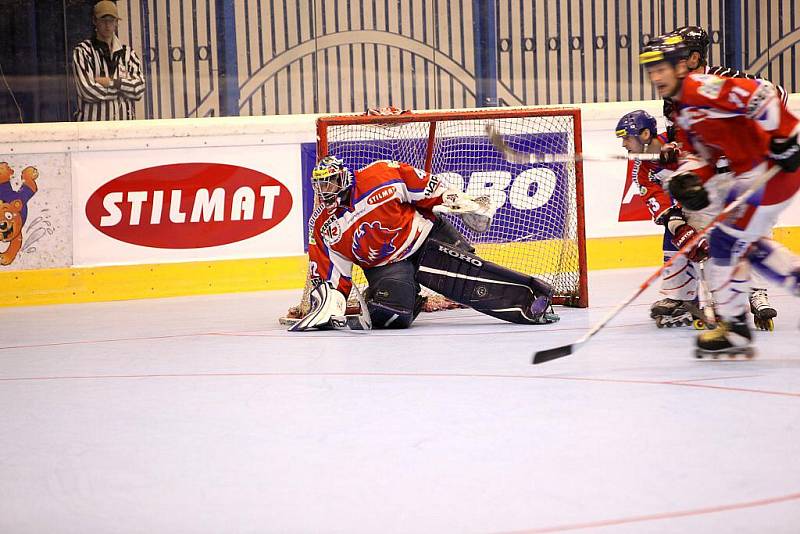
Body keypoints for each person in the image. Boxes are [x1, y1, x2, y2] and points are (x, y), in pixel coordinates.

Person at [639, 34, 800, 358]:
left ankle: (736, 328)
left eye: (661, 69)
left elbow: (764, 93)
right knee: (738, 244)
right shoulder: (682, 110)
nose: (655, 77)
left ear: (682, 66)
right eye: (650, 71)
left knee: (729, 241)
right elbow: (705, 159)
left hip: (771, 172)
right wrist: (690, 181)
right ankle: (737, 326)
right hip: (751, 176)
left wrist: (788, 136)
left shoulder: (702, 87)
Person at [290, 155, 559, 331]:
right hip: (387, 265)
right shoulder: (326, 227)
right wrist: (329, 302)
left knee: (466, 269)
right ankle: (410, 298)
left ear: (344, 177)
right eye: (321, 186)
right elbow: (332, 276)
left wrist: (456, 200)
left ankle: (533, 298)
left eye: (331, 183)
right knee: (391, 315)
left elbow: (424, 187)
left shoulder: (380, 175)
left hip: (426, 235)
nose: (327, 191)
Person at [661, 26, 786, 329]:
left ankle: (757, 295)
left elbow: (776, 95)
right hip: (708, 179)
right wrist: (672, 148)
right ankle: (720, 306)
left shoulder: (727, 79)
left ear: (693, 58)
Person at [614, 110, 708, 327]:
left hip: (710, 199)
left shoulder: (677, 141)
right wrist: (678, 225)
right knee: (674, 238)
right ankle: (683, 298)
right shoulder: (642, 171)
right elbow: (661, 206)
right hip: (685, 208)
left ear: (645, 134)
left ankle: (733, 297)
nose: (624, 144)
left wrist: (680, 156)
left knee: (716, 248)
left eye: (627, 138)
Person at [72, 1, 145, 121]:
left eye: (111, 20)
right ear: (94, 21)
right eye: (103, 20)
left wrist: (111, 82)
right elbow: (88, 91)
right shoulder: (83, 52)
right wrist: (124, 88)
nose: (107, 25)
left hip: (124, 128)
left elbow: (139, 90)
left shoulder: (128, 53)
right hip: (92, 129)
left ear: (116, 23)